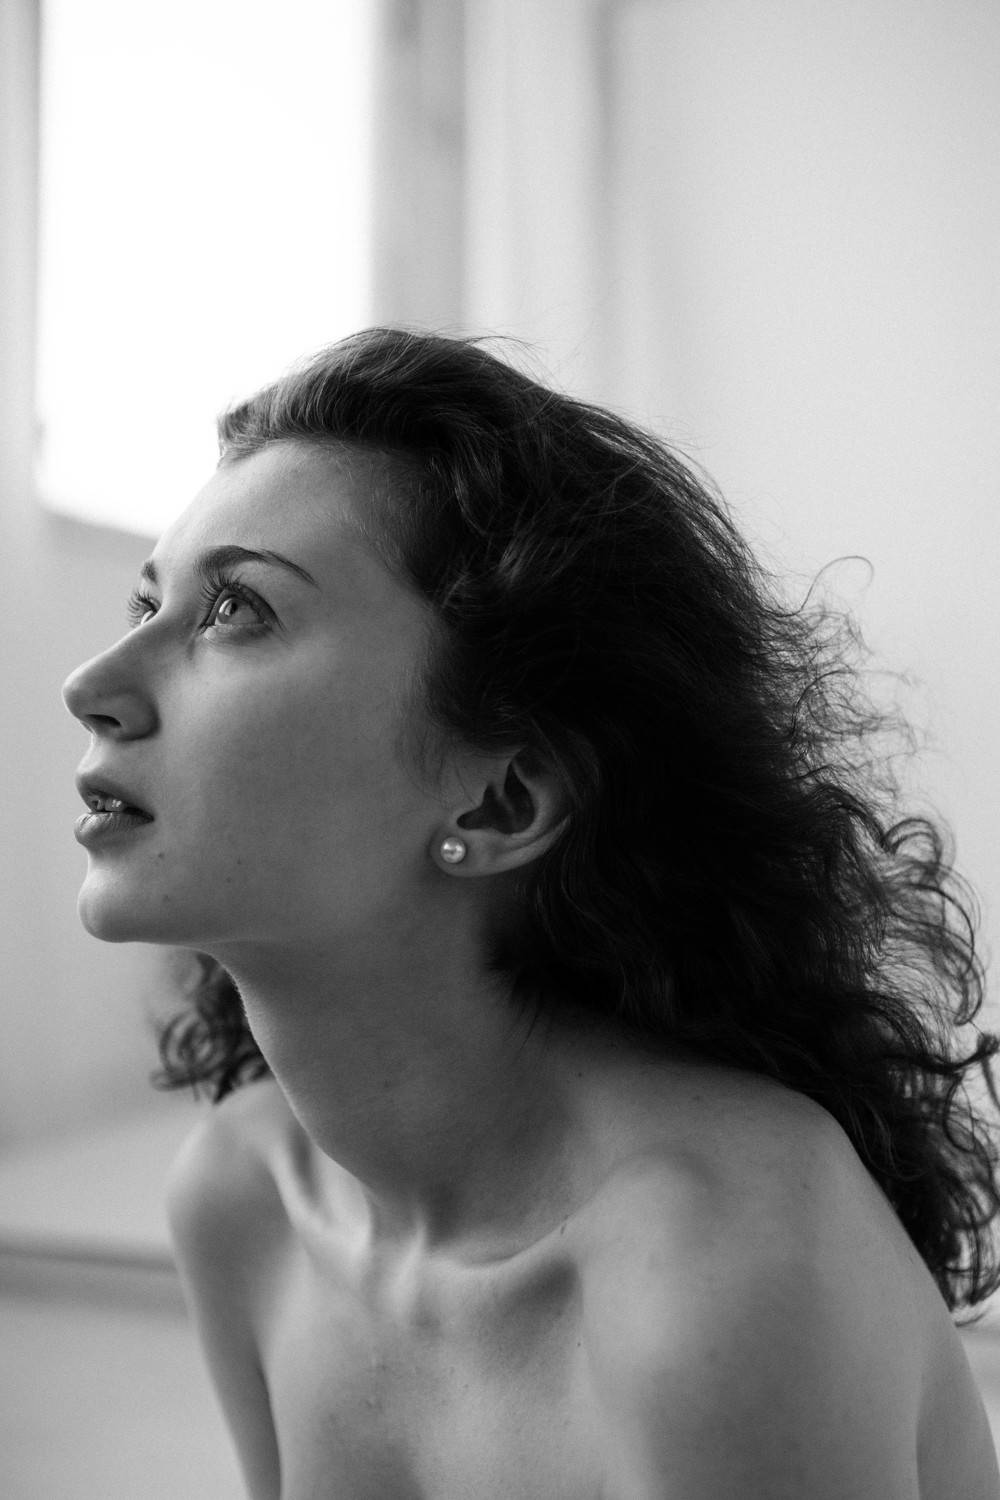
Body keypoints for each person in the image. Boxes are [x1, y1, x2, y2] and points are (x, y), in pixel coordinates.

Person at [63, 327, 1000, 1499]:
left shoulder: (723, 1268)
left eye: (237, 609)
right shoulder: (241, 1200)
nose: (92, 686)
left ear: (502, 800)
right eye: (148, 600)